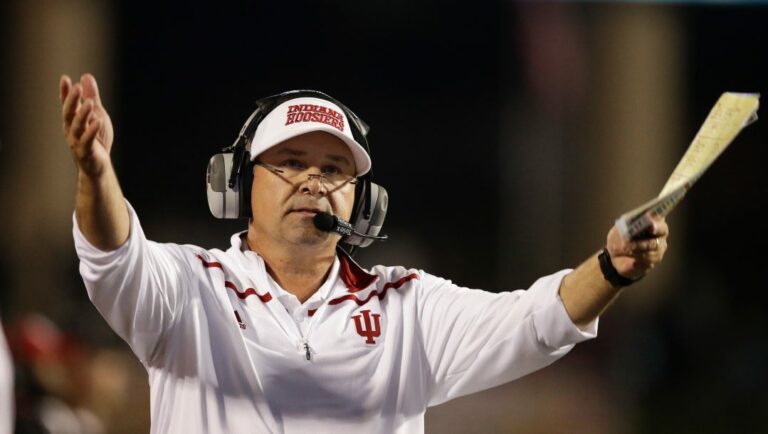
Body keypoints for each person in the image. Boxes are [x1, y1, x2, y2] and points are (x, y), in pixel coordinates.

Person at [60, 73, 669, 434]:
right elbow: (114, 254)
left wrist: (612, 266)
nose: (314, 182)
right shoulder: (188, 286)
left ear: (362, 203)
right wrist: (95, 170)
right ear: (239, 185)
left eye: (334, 170)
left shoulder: (410, 306)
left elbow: (539, 320)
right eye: (291, 163)